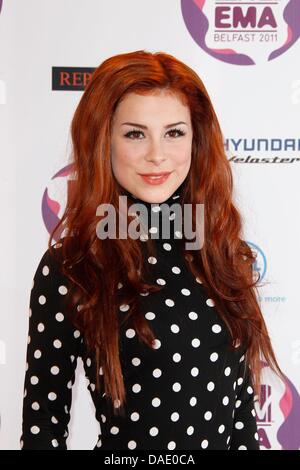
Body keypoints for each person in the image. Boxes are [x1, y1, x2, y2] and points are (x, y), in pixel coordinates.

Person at [20, 50, 284, 450]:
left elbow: (243, 414)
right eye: (135, 133)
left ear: (197, 139)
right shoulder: (72, 266)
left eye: (174, 132)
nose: (157, 155)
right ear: (102, 140)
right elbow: (44, 420)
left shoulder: (222, 253)